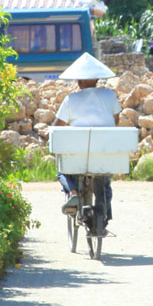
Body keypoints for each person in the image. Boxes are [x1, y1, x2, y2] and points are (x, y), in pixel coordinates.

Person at [52, 53, 122, 224]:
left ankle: (73, 193)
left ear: (80, 81)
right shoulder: (110, 96)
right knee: (104, 185)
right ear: (97, 79)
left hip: (78, 153)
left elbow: (57, 125)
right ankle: (102, 225)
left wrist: (50, 133)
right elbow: (116, 121)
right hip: (104, 152)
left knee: (63, 170)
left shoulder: (71, 99)